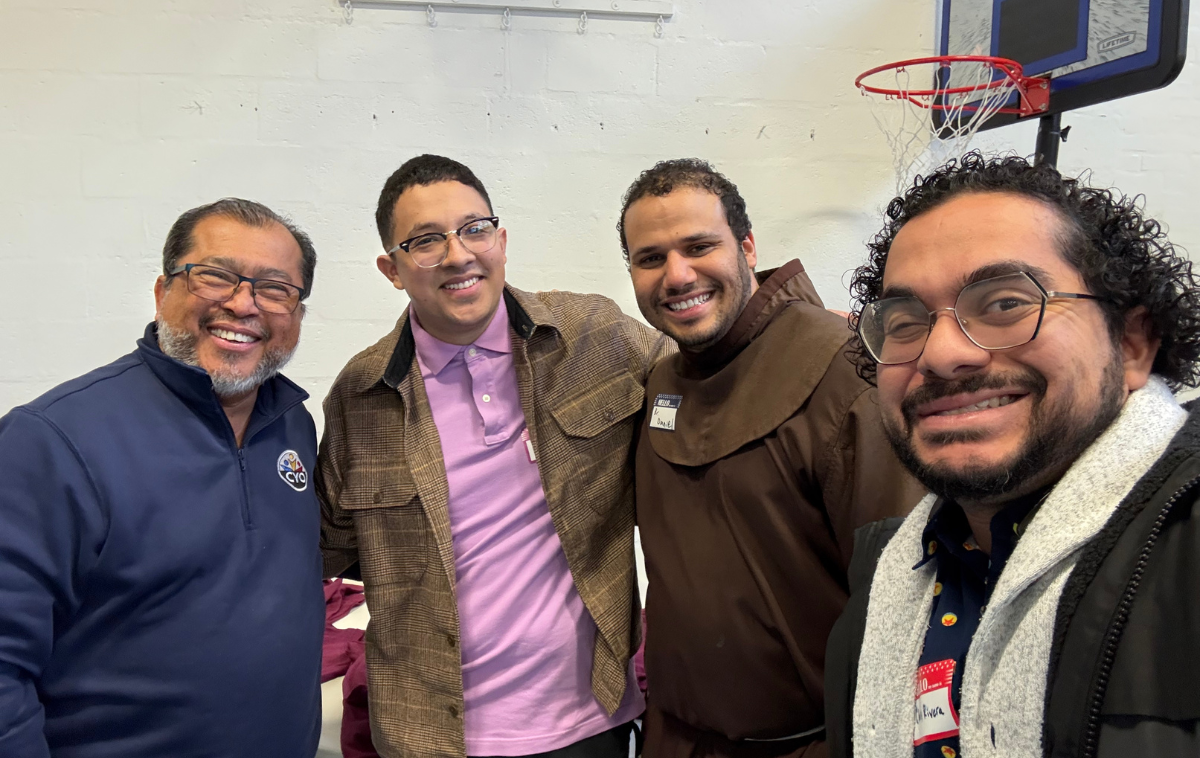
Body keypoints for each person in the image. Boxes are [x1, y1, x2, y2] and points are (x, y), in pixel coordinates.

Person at [826, 152, 1200, 758]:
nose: (941, 354)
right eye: (905, 322)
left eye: (1005, 304)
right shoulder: (886, 576)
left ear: (1132, 344)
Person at [317, 154, 672, 758]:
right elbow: (321, 545)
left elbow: (708, 371)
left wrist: (806, 331)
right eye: (426, 241)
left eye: (474, 229)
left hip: (589, 721)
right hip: (429, 737)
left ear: (501, 241)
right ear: (392, 269)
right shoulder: (363, 394)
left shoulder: (593, 336)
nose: (458, 255)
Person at [618, 158, 923, 758]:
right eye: (650, 258)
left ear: (748, 246)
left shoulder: (846, 375)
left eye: (699, 247)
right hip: (674, 735)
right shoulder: (659, 383)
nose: (677, 275)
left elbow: (903, 594)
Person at [0, 198, 324, 758]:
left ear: (296, 315)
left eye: (275, 289)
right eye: (215, 276)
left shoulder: (291, 425)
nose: (243, 304)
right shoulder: (50, 441)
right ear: (161, 291)